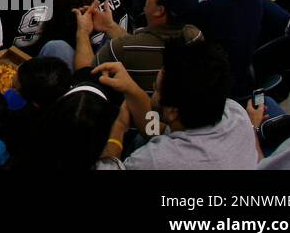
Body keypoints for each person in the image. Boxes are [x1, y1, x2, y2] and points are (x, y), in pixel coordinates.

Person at [95, 39, 261, 169]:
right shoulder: (235, 114)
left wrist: (119, 128)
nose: (153, 90)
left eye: (156, 89)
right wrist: (131, 89)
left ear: (173, 112)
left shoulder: (153, 161)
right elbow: (160, 131)